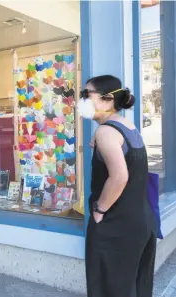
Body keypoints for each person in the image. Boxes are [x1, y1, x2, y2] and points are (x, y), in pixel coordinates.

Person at [77, 75, 157, 297]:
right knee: (134, 286)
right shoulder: (126, 125)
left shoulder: (106, 132)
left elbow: (119, 177)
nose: (81, 100)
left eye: (86, 95)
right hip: (140, 221)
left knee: (109, 287)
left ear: (108, 99)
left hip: (116, 225)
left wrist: (100, 210)